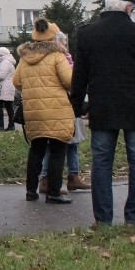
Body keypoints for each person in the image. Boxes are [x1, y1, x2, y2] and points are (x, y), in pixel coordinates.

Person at [70, 0, 135, 227]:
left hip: (103, 108)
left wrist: (78, 106)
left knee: (101, 163)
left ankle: (103, 220)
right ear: (129, 7)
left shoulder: (87, 34)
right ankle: (134, 219)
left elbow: (79, 75)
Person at [14, 19, 75, 205]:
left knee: (36, 150)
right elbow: (70, 80)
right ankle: (53, 192)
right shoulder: (57, 56)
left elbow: (16, 82)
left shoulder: (25, 58)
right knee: (58, 150)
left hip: (33, 112)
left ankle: (31, 191)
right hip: (56, 110)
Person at [38, 32, 90, 193]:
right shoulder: (56, 60)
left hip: (69, 105)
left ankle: (73, 176)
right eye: (62, 41)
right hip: (59, 105)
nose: (65, 44)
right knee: (53, 145)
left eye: (66, 41)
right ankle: (46, 179)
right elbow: (69, 82)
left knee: (73, 143)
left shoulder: (67, 59)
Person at [0, 47, 17, 132]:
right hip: (9, 87)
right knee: (9, 107)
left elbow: (1, 75)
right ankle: (11, 125)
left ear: (2, 54)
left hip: (3, 88)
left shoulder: (5, 62)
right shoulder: (10, 62)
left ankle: (0, 125)